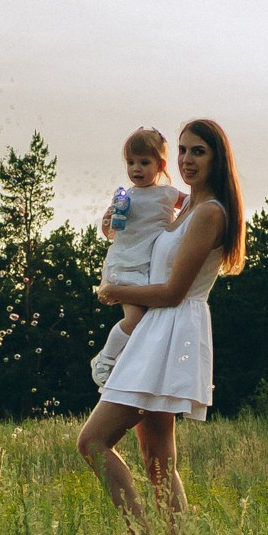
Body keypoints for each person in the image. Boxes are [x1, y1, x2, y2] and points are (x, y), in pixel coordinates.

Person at [77, 118, 246, 526]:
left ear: (218, 159)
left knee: (93, 441)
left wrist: (117, 291)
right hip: (156, 327)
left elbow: (173, 292)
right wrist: (116, 223)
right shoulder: (184, 205)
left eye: (198, 151)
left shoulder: (209, 213)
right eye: (183, 150)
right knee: (156, 458)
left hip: (171, 328)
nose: (187, 159)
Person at [90, 127, 185, 387]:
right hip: (124, 266)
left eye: (144, 162)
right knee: (136, 320)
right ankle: (105, 359)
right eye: (131, 162)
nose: (136, 169)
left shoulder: (168, 193)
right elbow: (109, 233)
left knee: (148, 325)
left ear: (160, 165)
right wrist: (110, 217)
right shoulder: (126, 197)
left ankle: (125, 367)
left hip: (149, 269)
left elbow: (195, 204)